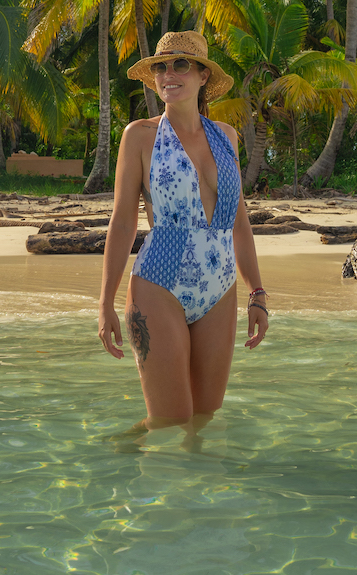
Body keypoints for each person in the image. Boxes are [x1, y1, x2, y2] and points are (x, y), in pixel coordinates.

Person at [97, 30, 270, 431]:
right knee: (170, 420)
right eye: (161, 66)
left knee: (204, 418)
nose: (168, 74)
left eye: (180, 65)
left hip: (220, 287)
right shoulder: (139, 136)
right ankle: (121, 458)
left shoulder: (226, 137)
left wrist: (257, 293)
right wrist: (105, 303)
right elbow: (123, 221)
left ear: (203, 76)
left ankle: (199, 492)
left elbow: (238, 221)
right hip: (159, 285)